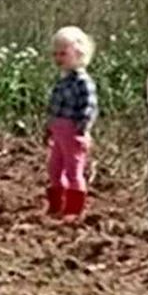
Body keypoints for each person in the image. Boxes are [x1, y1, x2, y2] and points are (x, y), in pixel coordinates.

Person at [46, 26, 97, 220]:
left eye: (63, 53)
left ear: (78, 53)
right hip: (59, 130)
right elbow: (55, 107)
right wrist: (50, 127)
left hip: (73, 132)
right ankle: (56, 205)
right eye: (56, 54)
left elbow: (89, 107)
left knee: (73, 170)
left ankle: (73, 210)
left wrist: (81, 130)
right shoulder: (63, 80)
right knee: (54, 168)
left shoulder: (82, 82)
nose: (59, 58)